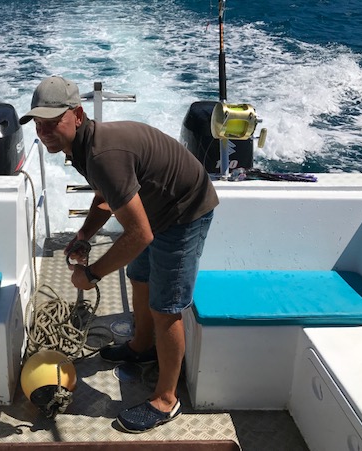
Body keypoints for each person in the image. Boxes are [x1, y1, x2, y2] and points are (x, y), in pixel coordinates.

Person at [19, 76, 218, 433]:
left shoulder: (101, 154)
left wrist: (91, 274)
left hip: (185, 210)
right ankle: (142, 346)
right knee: (138, 275)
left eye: (53, 121)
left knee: (166, 306)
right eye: (38, 123)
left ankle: (167, 400)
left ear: (77, 115)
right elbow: (105, 196)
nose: (45, 130)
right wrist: (84, 234)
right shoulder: (83, 146)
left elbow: (139, 234)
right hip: (156, 207)